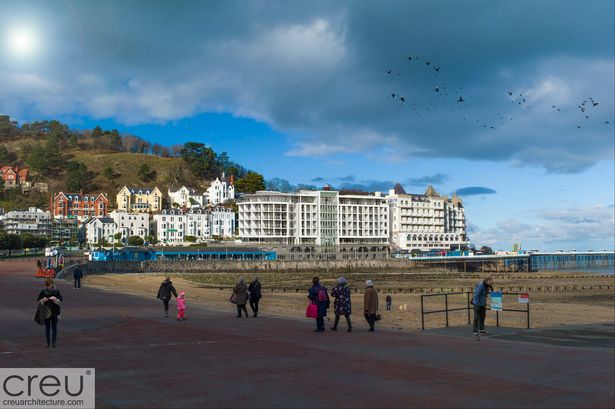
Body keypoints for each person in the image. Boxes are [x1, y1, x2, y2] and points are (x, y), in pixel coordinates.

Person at [37, 278, 63, 348]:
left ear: (52, 284)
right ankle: (48, 343)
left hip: (55, 312)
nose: (48, 286)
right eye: (47, 285)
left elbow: (60, 301)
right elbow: (38, 300)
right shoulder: (43, 291)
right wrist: (43, 300)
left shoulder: (56, 291)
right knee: (47, 328)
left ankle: (53, 343)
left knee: (54, 328)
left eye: (49, 285)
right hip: (46, 312)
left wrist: (55, 299)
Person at [472, 275, 494, 340]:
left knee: (482, 317)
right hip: (477, 304)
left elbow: (486, 292)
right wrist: (478, 305)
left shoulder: (487, 285)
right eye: (491, 282)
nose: (491, 284)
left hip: (482, 303)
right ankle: (475, 333)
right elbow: (476, 295)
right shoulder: (480, 285)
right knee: (476, 318)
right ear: (487, 281)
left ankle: (482, 330)